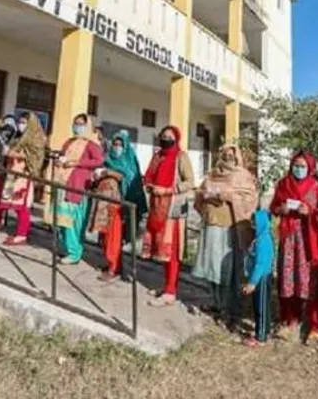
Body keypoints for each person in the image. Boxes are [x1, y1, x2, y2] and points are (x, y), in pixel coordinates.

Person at [193, 144, 258, 325]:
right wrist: (205, 195)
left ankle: (231, 308)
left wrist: (229, 196)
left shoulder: (243, 176)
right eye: (225, 154)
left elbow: (250, 200)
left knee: (227, 269)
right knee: (211, 268)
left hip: (232, 230)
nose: (228, 157)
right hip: (212, 226)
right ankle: (216, 302)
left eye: (232, 154)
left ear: (238, 157)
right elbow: (199, 195)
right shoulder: (213, 173)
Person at [269, 151, 318, 342]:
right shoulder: (283, 184)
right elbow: (273, 207)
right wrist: (282, 209)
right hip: (289, 240)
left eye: (303, 166)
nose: (299, 169)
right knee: (289, 280)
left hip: (309, 239)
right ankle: (290, 320)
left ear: (310, 167)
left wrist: (310, 211)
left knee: (310, 281)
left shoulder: (317, 187)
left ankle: (315, 325)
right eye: (296, 164)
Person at [142, 125, 195, 307]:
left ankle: (171, 292)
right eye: (163, 136)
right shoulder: (158, 156)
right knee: (160, 250)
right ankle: (166, 286)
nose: (166, 139)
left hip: (173, 209)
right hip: (157, 207)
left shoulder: (181, 157)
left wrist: (168, 190)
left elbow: (190, 182)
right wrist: (149, 185)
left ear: (176, 138)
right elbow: (149, 175)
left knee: (171, 250)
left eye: (169, 136)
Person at [88, 130, 148, 281]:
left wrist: (111, 174)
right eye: (114, 144)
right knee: (105, 236)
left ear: (126, 146)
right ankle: (113, 264)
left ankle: (113, 268)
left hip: (119, 207)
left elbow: (129, 179)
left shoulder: (129, 161)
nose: (117, 147)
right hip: (104, 204)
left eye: (120, 145)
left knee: (114, 238)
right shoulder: (108, 159)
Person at [51, 113, 104, 265]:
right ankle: (67, 248)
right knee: (62, 219)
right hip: (64, 182)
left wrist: (76, 162)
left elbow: (98, 160)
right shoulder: (69, 142)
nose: (77, 127)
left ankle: (75, 253)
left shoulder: (91, 144)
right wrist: (60, 161)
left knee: (73, 222)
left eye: (81, 124)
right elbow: (62, 155)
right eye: (75, 123)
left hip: (78, 185)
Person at [0, 112, 46, 245]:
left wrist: (12, 153)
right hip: (14, 172)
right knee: (15, 204)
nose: (21, 125)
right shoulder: (20, 137)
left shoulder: (36, 139)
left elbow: (32, 157)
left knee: (22, 206)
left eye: (24, 122)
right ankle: (20, 232)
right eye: (20, 122)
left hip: (25, 174)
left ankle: (22, 234)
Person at [242, 208, 275, 348]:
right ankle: (265, 331)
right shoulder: (263, 237)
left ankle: (260, 337)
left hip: (260, 278)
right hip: (263, 277)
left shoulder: (263, 242)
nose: (252, 225)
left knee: (260, 307)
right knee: (263, 306)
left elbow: (260, 264)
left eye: (255, 222)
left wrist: (252, 282)